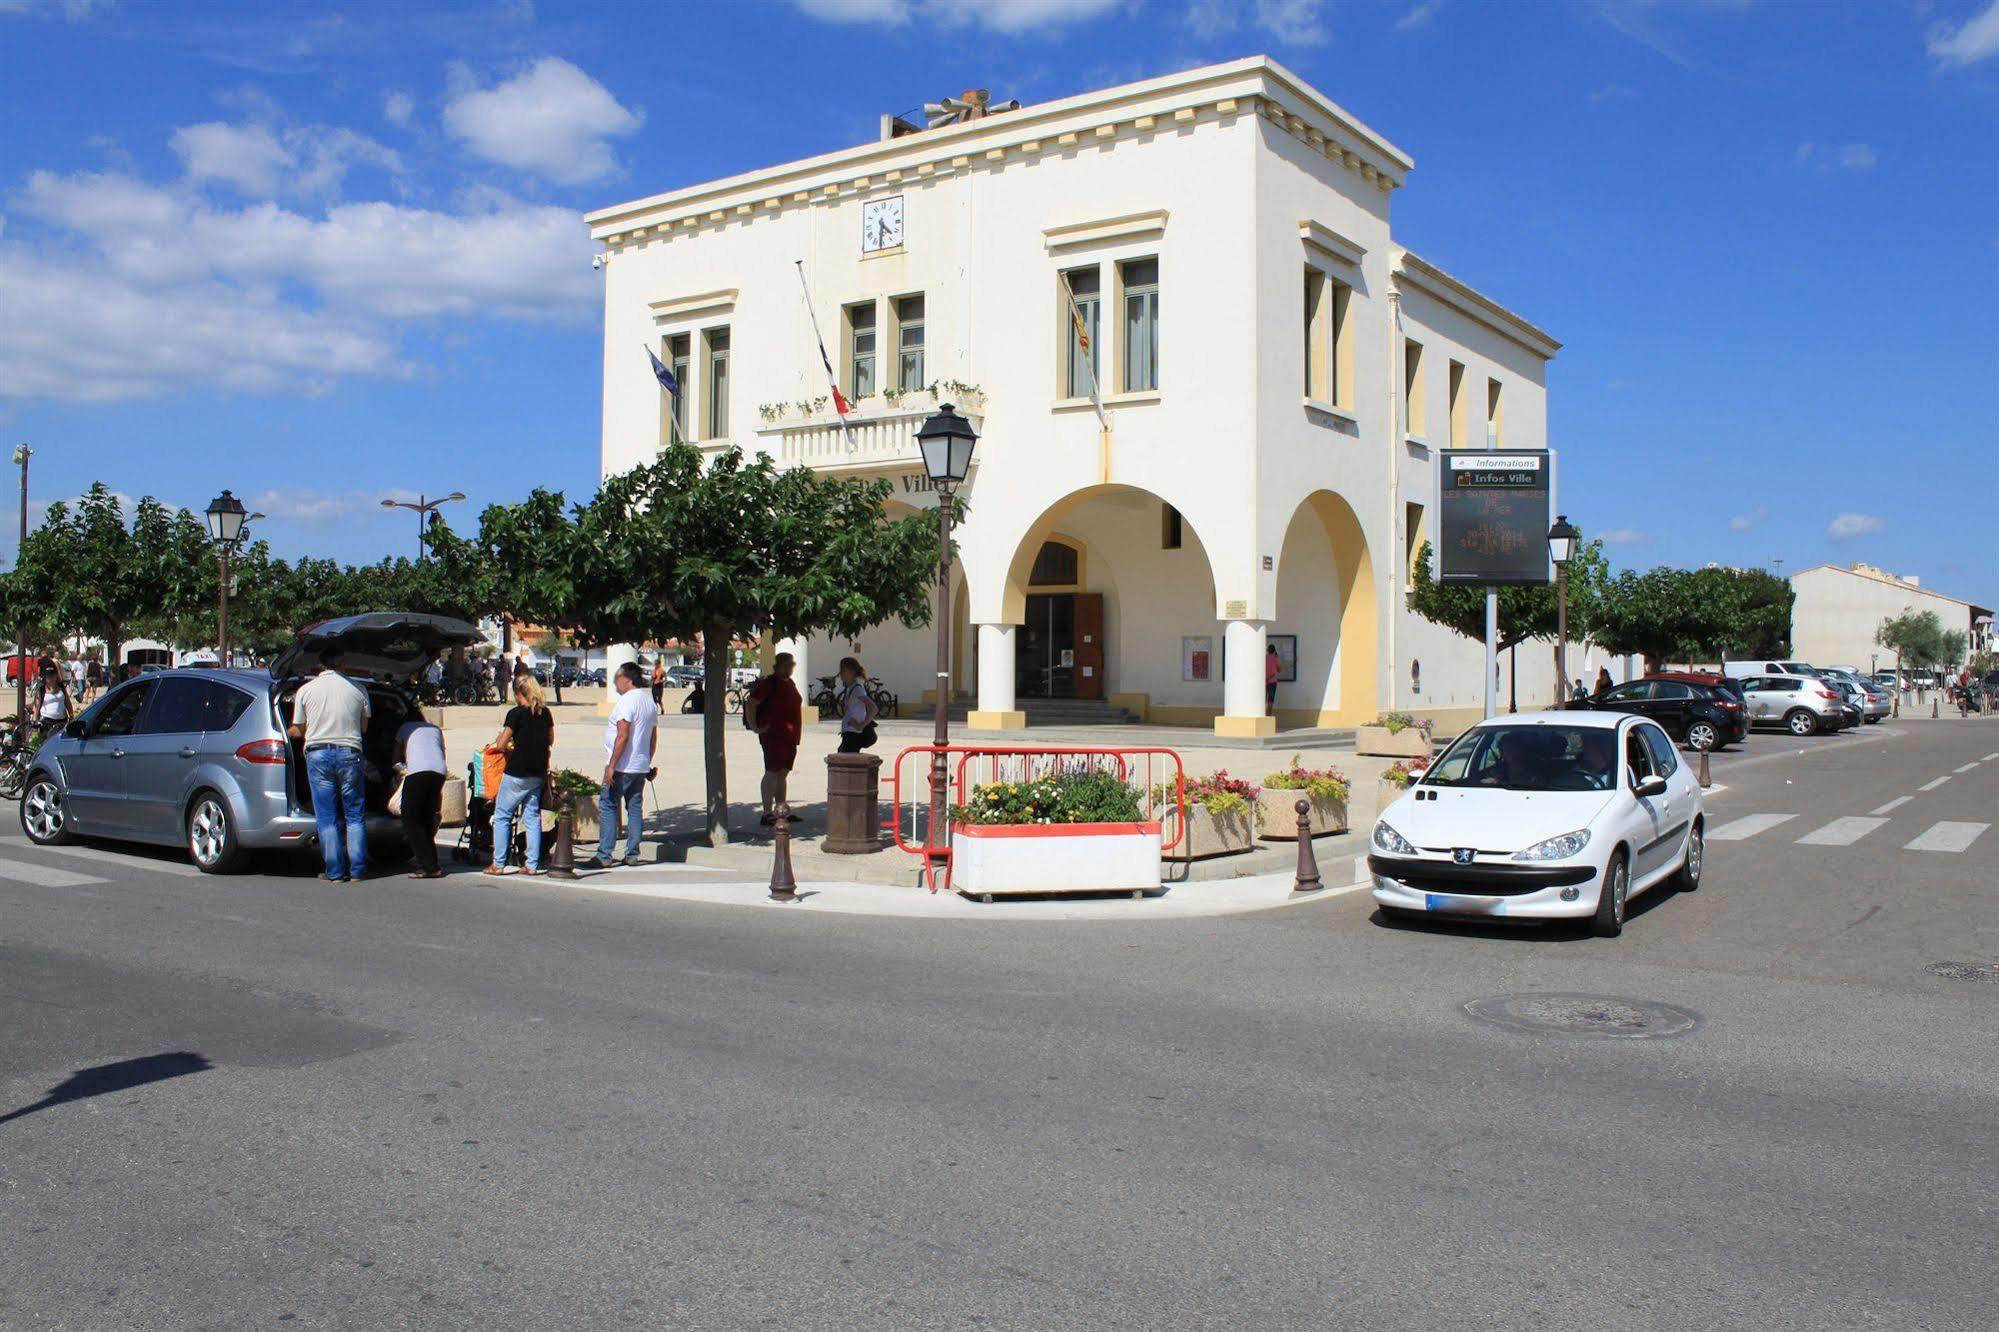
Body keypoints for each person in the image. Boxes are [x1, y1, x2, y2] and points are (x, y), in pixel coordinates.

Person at [287, 648, 371, 882]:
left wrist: (287, 730)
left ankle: (334, 871)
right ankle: (358, 869)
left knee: (327, 816)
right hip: (350, 753)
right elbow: (364, 727)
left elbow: (299, 729)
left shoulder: (305, 691)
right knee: (354, 814)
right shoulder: (359, 689)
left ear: (319, 666)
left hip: (318, 755)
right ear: (342, 663)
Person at [585, 661, 658, 868]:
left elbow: (622, 735)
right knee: (634, 807)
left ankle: (604, 854)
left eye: (617, 677)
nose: (614, 682)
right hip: (639, 765)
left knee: (608, 804)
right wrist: (647, 761)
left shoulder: (627, 702)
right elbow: (653, 737)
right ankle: (632, 853)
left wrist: (611, 766)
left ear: (627, 679)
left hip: (623, 766)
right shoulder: (648, 702)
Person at [488, 673, 555, 875]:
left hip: (517, 771)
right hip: (538, 771)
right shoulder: (545, 713)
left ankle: (498, 864)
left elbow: (500, 744)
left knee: (502, 816)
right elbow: (550, 740)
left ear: (518, 693)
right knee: (532, 817)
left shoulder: (516, 714)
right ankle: (532, 865)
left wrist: (509, 747)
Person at [747, 652, 803, 824]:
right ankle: (766, 813)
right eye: (787, 665)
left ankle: (781, 809)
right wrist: (755, 727)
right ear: (778, 665)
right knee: (772, 772)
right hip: (773, 736)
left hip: (789, 736)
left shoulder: (790, 683)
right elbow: (751, 703)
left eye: (791, 665)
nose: (790, 668)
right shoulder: (769, 683)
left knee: (783, 773)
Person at [394, 706, 448, 879]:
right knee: (425, 818)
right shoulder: (435, 729)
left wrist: (399, 768)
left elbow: (395, 758)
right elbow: (441, 752)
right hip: (438, 773)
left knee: (410, 819)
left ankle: (428, 867)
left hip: (417, 773)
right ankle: (432, 863)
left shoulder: (405, 728)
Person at [835, 656, 877, 754]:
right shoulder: (851, 688)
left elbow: (873, 708)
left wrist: (861, 725)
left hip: (853, 736)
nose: (840, 673)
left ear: (852, 671)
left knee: (846, 764)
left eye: (843, 670)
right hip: (848, 734)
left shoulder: (857, 689)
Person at [32, 661, 71, 740]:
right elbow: (36, 707)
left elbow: (67, 702)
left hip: (62, 721)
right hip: (47, 721)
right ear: (45, 677)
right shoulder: (41, 689)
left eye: (53, 675)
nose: (51, 678)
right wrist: (35, 721)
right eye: (48, 676)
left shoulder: (61, 687)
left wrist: (71, 715)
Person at [1265, 643, 1281, 715]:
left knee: (1263, 698)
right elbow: (1279, 670)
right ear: (1274, 651)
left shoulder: (1264, 658)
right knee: (1270, 699)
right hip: (1272, 681)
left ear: (1267, 650)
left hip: (1264, 681)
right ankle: (1268, 714)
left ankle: (1263, 713)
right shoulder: (1275, 658)